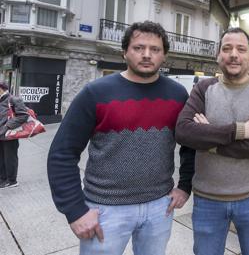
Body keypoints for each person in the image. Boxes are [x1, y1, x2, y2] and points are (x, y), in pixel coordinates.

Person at [47, 21, 195, 255]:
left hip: (159, 207)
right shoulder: (95, 93)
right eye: (138, 48)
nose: (147, 55)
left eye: (155, 49)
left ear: (164, 55)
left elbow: (190, 144)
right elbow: (62, 153)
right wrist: (75, 211)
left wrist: (185, 186)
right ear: (125, 52)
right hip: (105, 209)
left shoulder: (177, 95)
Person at [176, 27, 249, 255]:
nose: (234, 54)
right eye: (227, 48)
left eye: (241, 49)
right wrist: (240, 130)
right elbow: (184, 132)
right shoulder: (203, 89)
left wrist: (210, 142)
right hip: (208, 199)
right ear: (218, 56)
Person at [0, 81, 29, 189]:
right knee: (1, 158)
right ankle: (2, 179)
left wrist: (7, 126)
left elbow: (23, 116)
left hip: (9, 135)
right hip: (1, 135)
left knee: (9, 158)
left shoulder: (14, 99)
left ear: (1, 89)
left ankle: (12, 180)